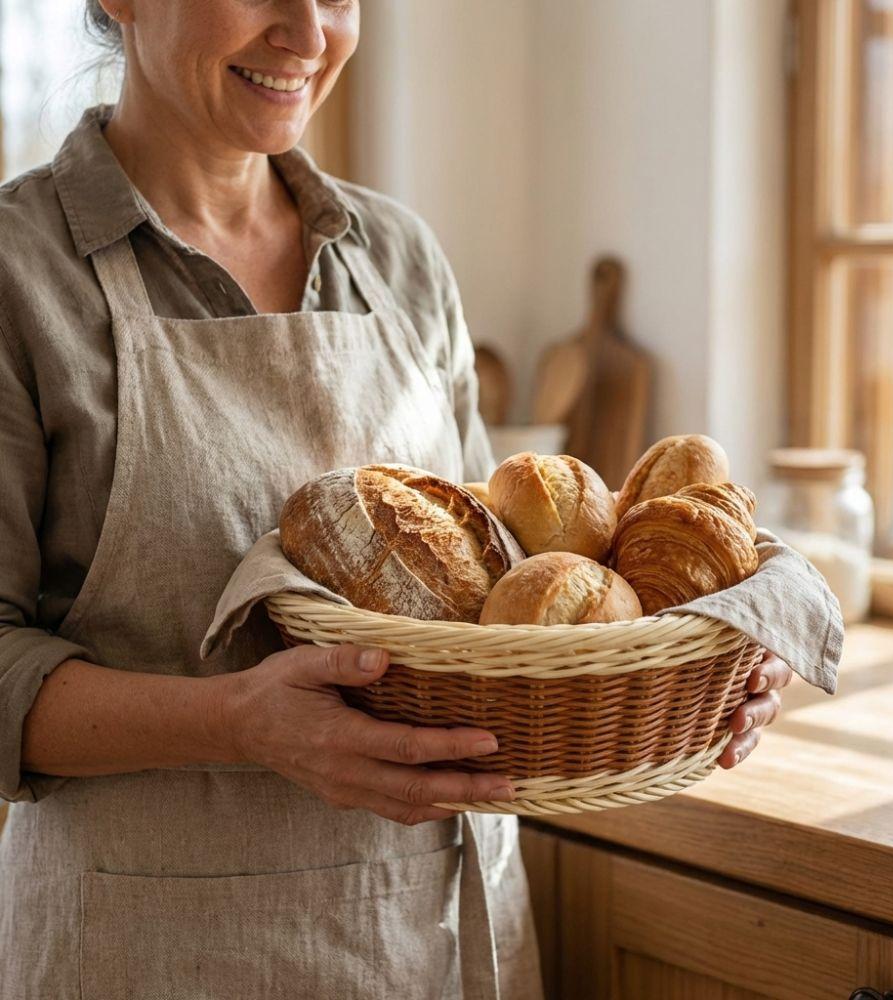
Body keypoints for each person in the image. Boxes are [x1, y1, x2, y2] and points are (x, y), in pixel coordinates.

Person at [0, 2, 794, 996]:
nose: (305, 31)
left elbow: (500, 608)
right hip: (151, 948)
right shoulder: (20, 274)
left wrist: (692, 682)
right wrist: (237, 721)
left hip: (440, 944)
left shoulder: (399, 259)